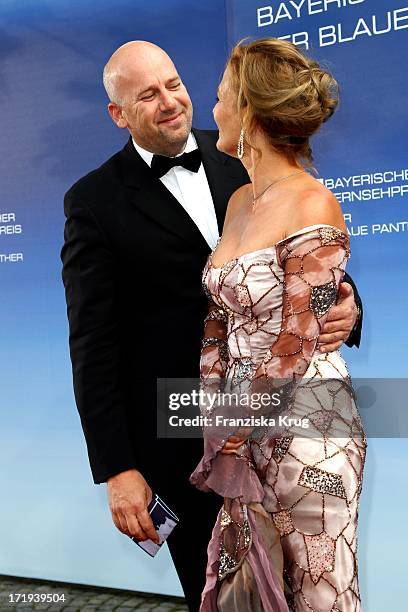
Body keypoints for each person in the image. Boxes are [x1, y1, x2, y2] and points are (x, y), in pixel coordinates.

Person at [61, 40, 363, 612]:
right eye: (147, 95)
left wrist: (348, 307)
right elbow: (92, 345)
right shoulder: (94, 201)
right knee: (233, 598)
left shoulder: (244, 164)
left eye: (174, 84)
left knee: (316, 590)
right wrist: (117, 468)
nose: (171, 102)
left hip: (290, 427)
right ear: (118, 114)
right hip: (183, 444)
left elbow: (312, 270)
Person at [190, 38, 366, 611]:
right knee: (258, 591)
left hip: (309, 430)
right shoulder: (239, 200)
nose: (209, 110)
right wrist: (215, 411)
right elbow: (219, 318)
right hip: (242, 429)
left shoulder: (314, 203)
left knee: (321, 593)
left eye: (219, 99)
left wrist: (235, 425)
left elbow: (297, 340)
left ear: (249, 112)